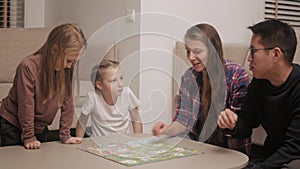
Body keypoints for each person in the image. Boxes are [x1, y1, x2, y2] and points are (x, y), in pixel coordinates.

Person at [152, 23, 251, 154]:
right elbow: (183, 121)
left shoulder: (236, 75)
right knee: (169, 147)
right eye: (188, 51)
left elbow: (240, 129)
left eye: (197, 51)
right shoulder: (189, 77)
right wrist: (166, 130)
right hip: (197, 142)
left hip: (227, 147)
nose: (191, 57)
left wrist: (230, 122)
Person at [218, 19, 300, 169]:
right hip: (272, 155)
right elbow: (247, 124)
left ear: (275, 54)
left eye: (253, 51)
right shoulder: (259, 83)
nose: (249, 58)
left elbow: (294, 147)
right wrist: (233, 124)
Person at [0, 23, 87, 149]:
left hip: (39, 128)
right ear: (54, 50)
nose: (70, 66)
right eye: (68, 61)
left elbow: (68, 103)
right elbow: (26, 105)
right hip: (12, 126)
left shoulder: (67, 70)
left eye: (74, 62)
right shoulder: (28, 67)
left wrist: (65, 135)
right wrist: (29, 136)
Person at [76, 60, 143, 138]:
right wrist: (79, 140)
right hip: (100, 144)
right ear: (100, 85)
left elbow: (136, 119)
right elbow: (82, 122)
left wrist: (138, 140)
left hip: (123, 143)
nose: (120, 84)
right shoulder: (93, 97)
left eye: (121, 78)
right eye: (113, 80)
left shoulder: (127, 93)